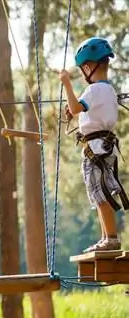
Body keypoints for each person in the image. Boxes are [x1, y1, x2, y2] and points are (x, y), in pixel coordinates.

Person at [59, 36, 128, 253]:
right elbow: (84, 110)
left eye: (82, 70)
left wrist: (67, 84)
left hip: (96, 148)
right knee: (103, 193)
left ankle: (111, 238)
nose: (82, 74)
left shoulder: (94, 90)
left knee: (100, 194)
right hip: (105, 147)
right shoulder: (108, 90)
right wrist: (75, 108)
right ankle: (108, 236)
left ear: (88, 67)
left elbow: (77, 107)